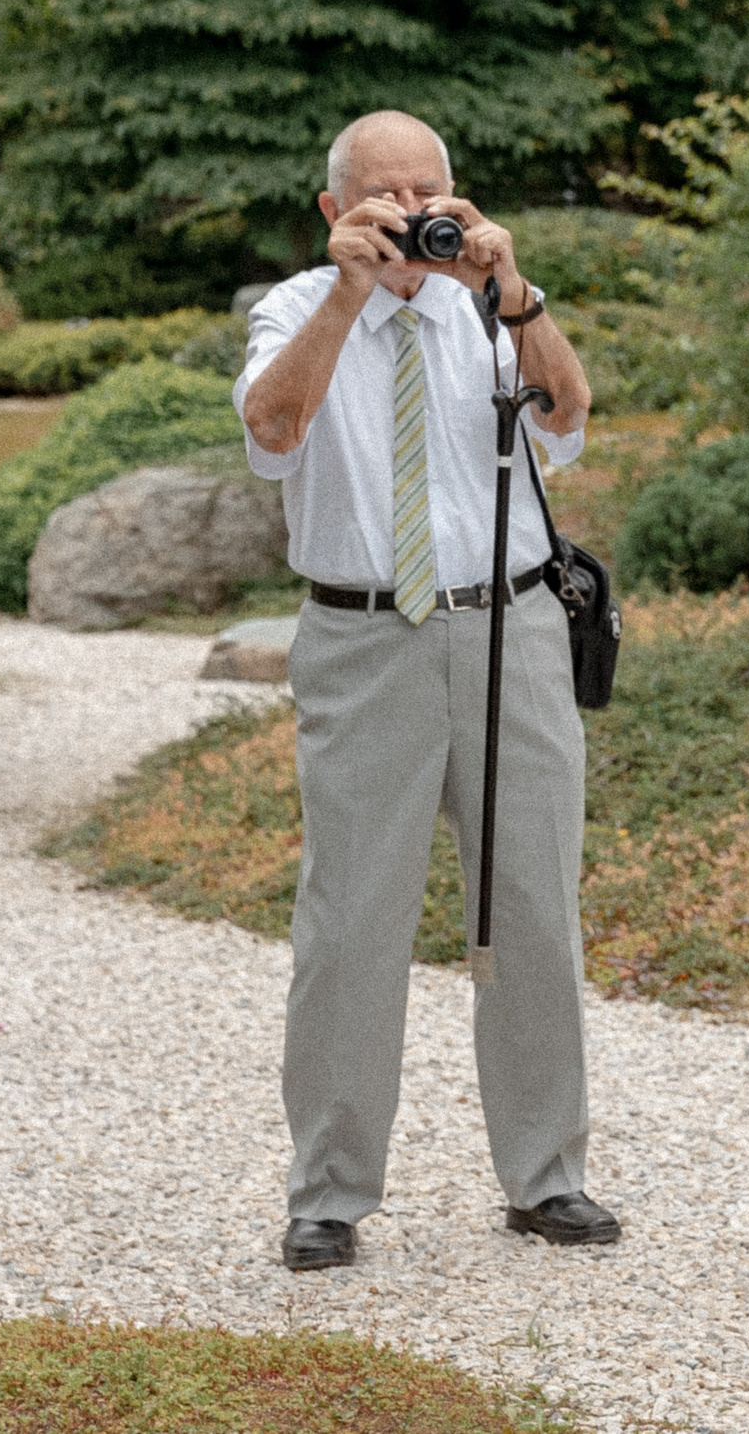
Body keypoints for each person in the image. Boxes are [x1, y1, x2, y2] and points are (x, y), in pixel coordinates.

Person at [237, 110, 616, 1273]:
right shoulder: (294, 309)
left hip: (512, 628)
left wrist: (517, 293)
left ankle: (547, 1176)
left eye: (426, 191)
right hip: (365, 640)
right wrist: (352, 296)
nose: (410, 213)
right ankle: (329, 1192)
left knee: (534, 909)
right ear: (334, 208)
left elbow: (568, 417)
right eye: (384, 194)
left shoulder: (490, 309)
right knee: (351, 923)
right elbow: (272, 429)